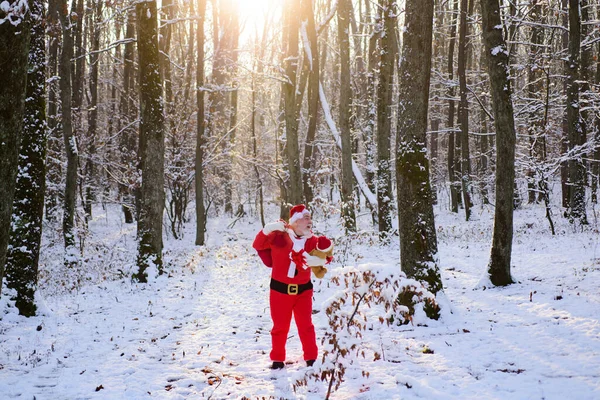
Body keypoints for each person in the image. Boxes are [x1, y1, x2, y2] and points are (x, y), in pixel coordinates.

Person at [253, 204, 333, 369]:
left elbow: (327, 255)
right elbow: (258, 244)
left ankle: (311, 358)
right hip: (279, 291)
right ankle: (277, 359)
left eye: (310, 217)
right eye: (306, 218)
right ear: (295, 222)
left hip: (303, 291)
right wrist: (269, 229)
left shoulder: (312, 241)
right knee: (280, 327)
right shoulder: (279, 236)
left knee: (306, 325)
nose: (309, 221)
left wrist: (319, 260)